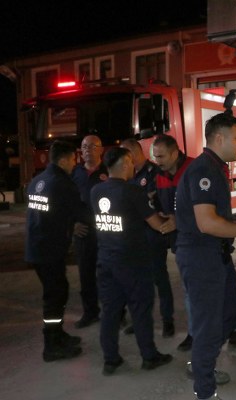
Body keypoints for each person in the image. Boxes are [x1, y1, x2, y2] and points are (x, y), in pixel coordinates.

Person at [175, 112, 236, 400]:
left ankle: (201, 362)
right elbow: (207, 223)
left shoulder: (215, 167)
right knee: (208, 325)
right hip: (201, 257)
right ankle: (205, 389)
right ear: (219, 138)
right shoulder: (204, 170)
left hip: (216, 254)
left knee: (230, 314)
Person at [91, 147, 174, 375]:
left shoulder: (96, 191)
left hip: (106, 260)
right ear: (126, 164)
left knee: (110, 312)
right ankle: (149, 356)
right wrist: (173, 221)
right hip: (133, 262)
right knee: (140, 309)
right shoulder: (133, 191)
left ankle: (110, 360)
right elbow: (156, 224)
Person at [25, 140, 85, 362]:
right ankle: (51, 345)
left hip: (37, 248)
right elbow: (81, 212)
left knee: (59, 291)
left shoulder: (37, 181)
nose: (75, 163)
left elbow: (49, 213)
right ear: (63, 160)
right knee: (55, 296)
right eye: (73, 159)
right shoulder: (62, 183)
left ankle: (57, 334)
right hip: (49, 250)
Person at [120, 138, 175, 338]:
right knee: (137, 281)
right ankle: (140, 320)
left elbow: (155, 201)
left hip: (153, 233)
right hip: (133, 234)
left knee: (159, 278)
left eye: (126, 155)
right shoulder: (127, 175)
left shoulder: (154, 172)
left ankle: (167, 320)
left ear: (134, 153)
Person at [152, 134, 195, 348]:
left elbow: (204, 208)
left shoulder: (193, 170)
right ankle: (194, 333)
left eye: (161, 156)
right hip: (180, 241)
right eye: (155, 156)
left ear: (175, 153)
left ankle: (233, 328)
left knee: (206, 289)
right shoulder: (160, 175)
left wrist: (178, 219)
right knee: (189, 289)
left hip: (199, 240)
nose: (157, 161)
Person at [71, 134, 106, 328]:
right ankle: (90, 312)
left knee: (109, 274)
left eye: (92, 146)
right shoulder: (74, 173)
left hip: (106, 232)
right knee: (86, 275)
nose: (87, 150)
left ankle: (116, 313)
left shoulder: (108, 170)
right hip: (83, 233)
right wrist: (72, 225)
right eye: (84, 146)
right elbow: (65, 201)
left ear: (101, 149)